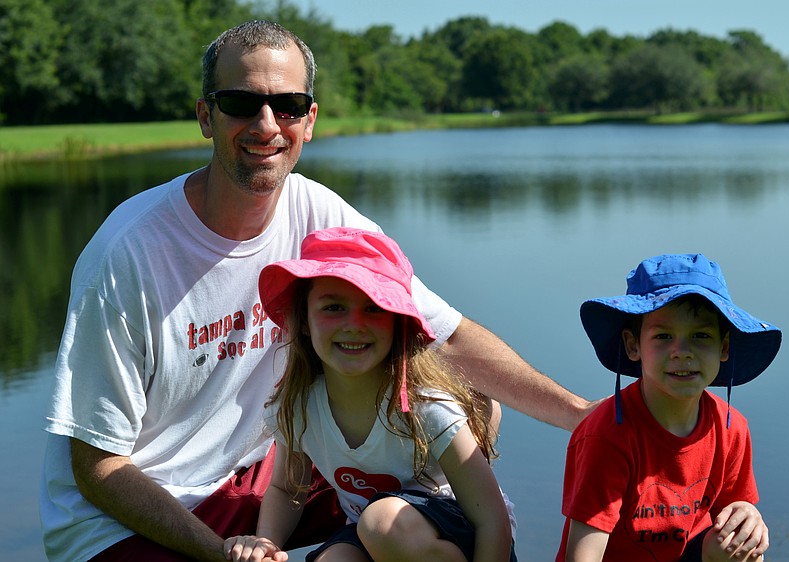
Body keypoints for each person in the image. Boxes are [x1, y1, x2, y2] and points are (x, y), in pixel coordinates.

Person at [39, 19, 593, 562]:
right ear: (206, 116)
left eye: (287, 106)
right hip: (127, 516)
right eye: (240, 102)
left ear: (310, 120)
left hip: (257, 481)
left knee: (470, 410)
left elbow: (444, 339)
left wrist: (583, 417)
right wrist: (232, 554)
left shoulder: (317, 212)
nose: (265, 125)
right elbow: (98, 469)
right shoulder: (128, 252)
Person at [224, 226, 517, 562]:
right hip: (369, 533)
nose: (354, 324)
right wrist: (266, 542)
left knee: (381, 523)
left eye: (374, 308)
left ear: (397, 322)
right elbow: (288, 489)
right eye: (333, 307)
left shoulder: (427, 408)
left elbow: (491, 520)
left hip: (461, 532)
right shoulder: (299, 406)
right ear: (303, 318)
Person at [556, 253, 782, 562]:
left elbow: (734, 511)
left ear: (724, 347)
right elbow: (582, 556)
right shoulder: (607, 436)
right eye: (663, 336)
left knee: (744, 548)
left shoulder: (732, 427)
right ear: (633, 345)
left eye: (700, 336)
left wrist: (748, 516)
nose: (682, 352)